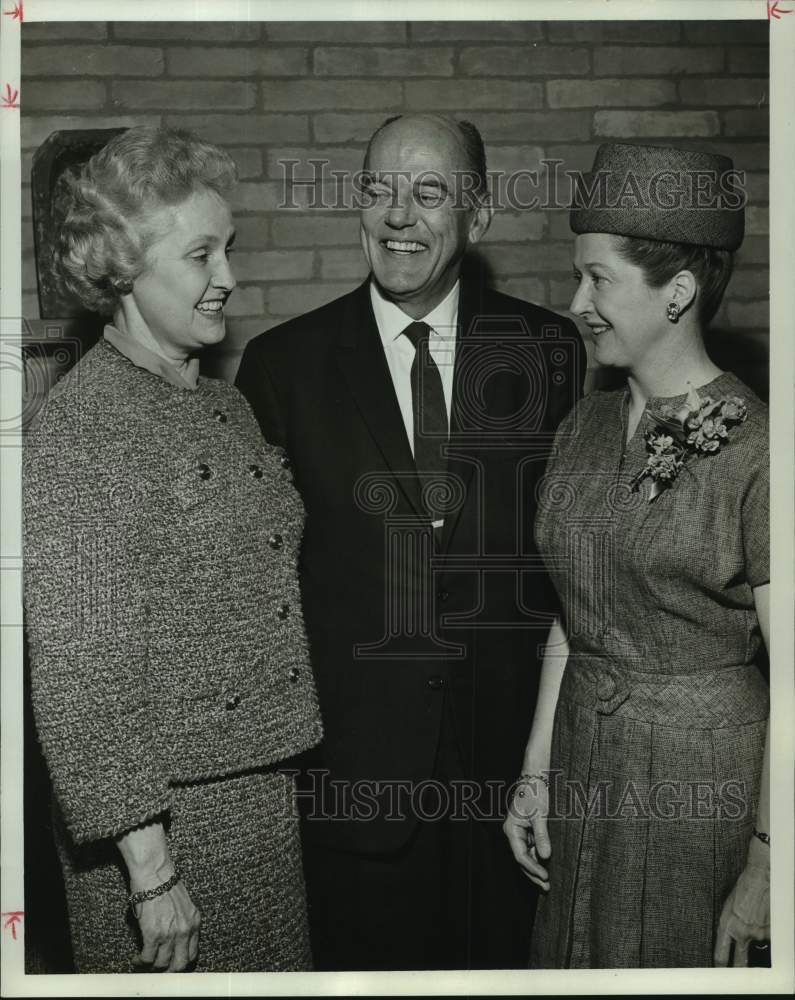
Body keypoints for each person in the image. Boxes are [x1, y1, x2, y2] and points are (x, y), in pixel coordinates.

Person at [235, 113, 586, 970]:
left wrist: (543, 767)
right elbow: (260, 595)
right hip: (353, 789)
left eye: (427, 192)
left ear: (478, 214)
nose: (397, 216)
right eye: (377, 190)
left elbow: (571, 572)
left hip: (515, 787)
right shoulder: (282, 365)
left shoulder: (549, 351)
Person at [23, 126, 322, 973]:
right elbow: (82, 674)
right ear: (124, 268)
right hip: (162, 829)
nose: (228, 276)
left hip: (256, 796)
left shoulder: (221, 405)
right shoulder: (85, 430)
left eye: (227, 250)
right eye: (200, 255)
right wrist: (152, 876)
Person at [503, 142, 770, 968]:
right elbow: (571, 613)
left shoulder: (759, 449)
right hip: (587, 748)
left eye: (598, 279)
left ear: (677, 292)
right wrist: (536, 769)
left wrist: (768, 859)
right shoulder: (582, 424)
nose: (576, 301)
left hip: (702, 781)